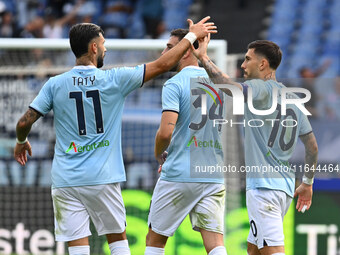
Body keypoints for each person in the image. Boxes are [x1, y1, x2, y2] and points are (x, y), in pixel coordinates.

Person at [14, 18, 216, 255]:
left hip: (66, 179)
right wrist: (191, 36)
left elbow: (24, 121)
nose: (106, 48)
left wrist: (20, 141)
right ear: (93, 48)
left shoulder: (54, 84)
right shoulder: (114, 79)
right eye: (103, 43)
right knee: (118, 242)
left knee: (77, 246)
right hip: (103, 177)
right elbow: (162, 65)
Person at [193, 37, 318, 255]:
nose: (242, 65)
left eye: (247, 59)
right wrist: (307, 183)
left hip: (264, 189)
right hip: (283, 189)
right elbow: (312, 147)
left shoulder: (259, 88)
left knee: (272, 251)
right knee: (254, 250)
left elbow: (227, 87)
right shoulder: (291, 99)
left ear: (262, 64)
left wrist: (203, 58)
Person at [145, 29, 227, 255]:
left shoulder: (174, 84)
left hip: (180, 172)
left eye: (170, 48)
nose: (164, 53)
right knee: (215, 244)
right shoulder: (217, 84)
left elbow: (165, 133)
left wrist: (158, 154)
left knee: (154, 240)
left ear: (186, 50)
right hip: (213, 174)